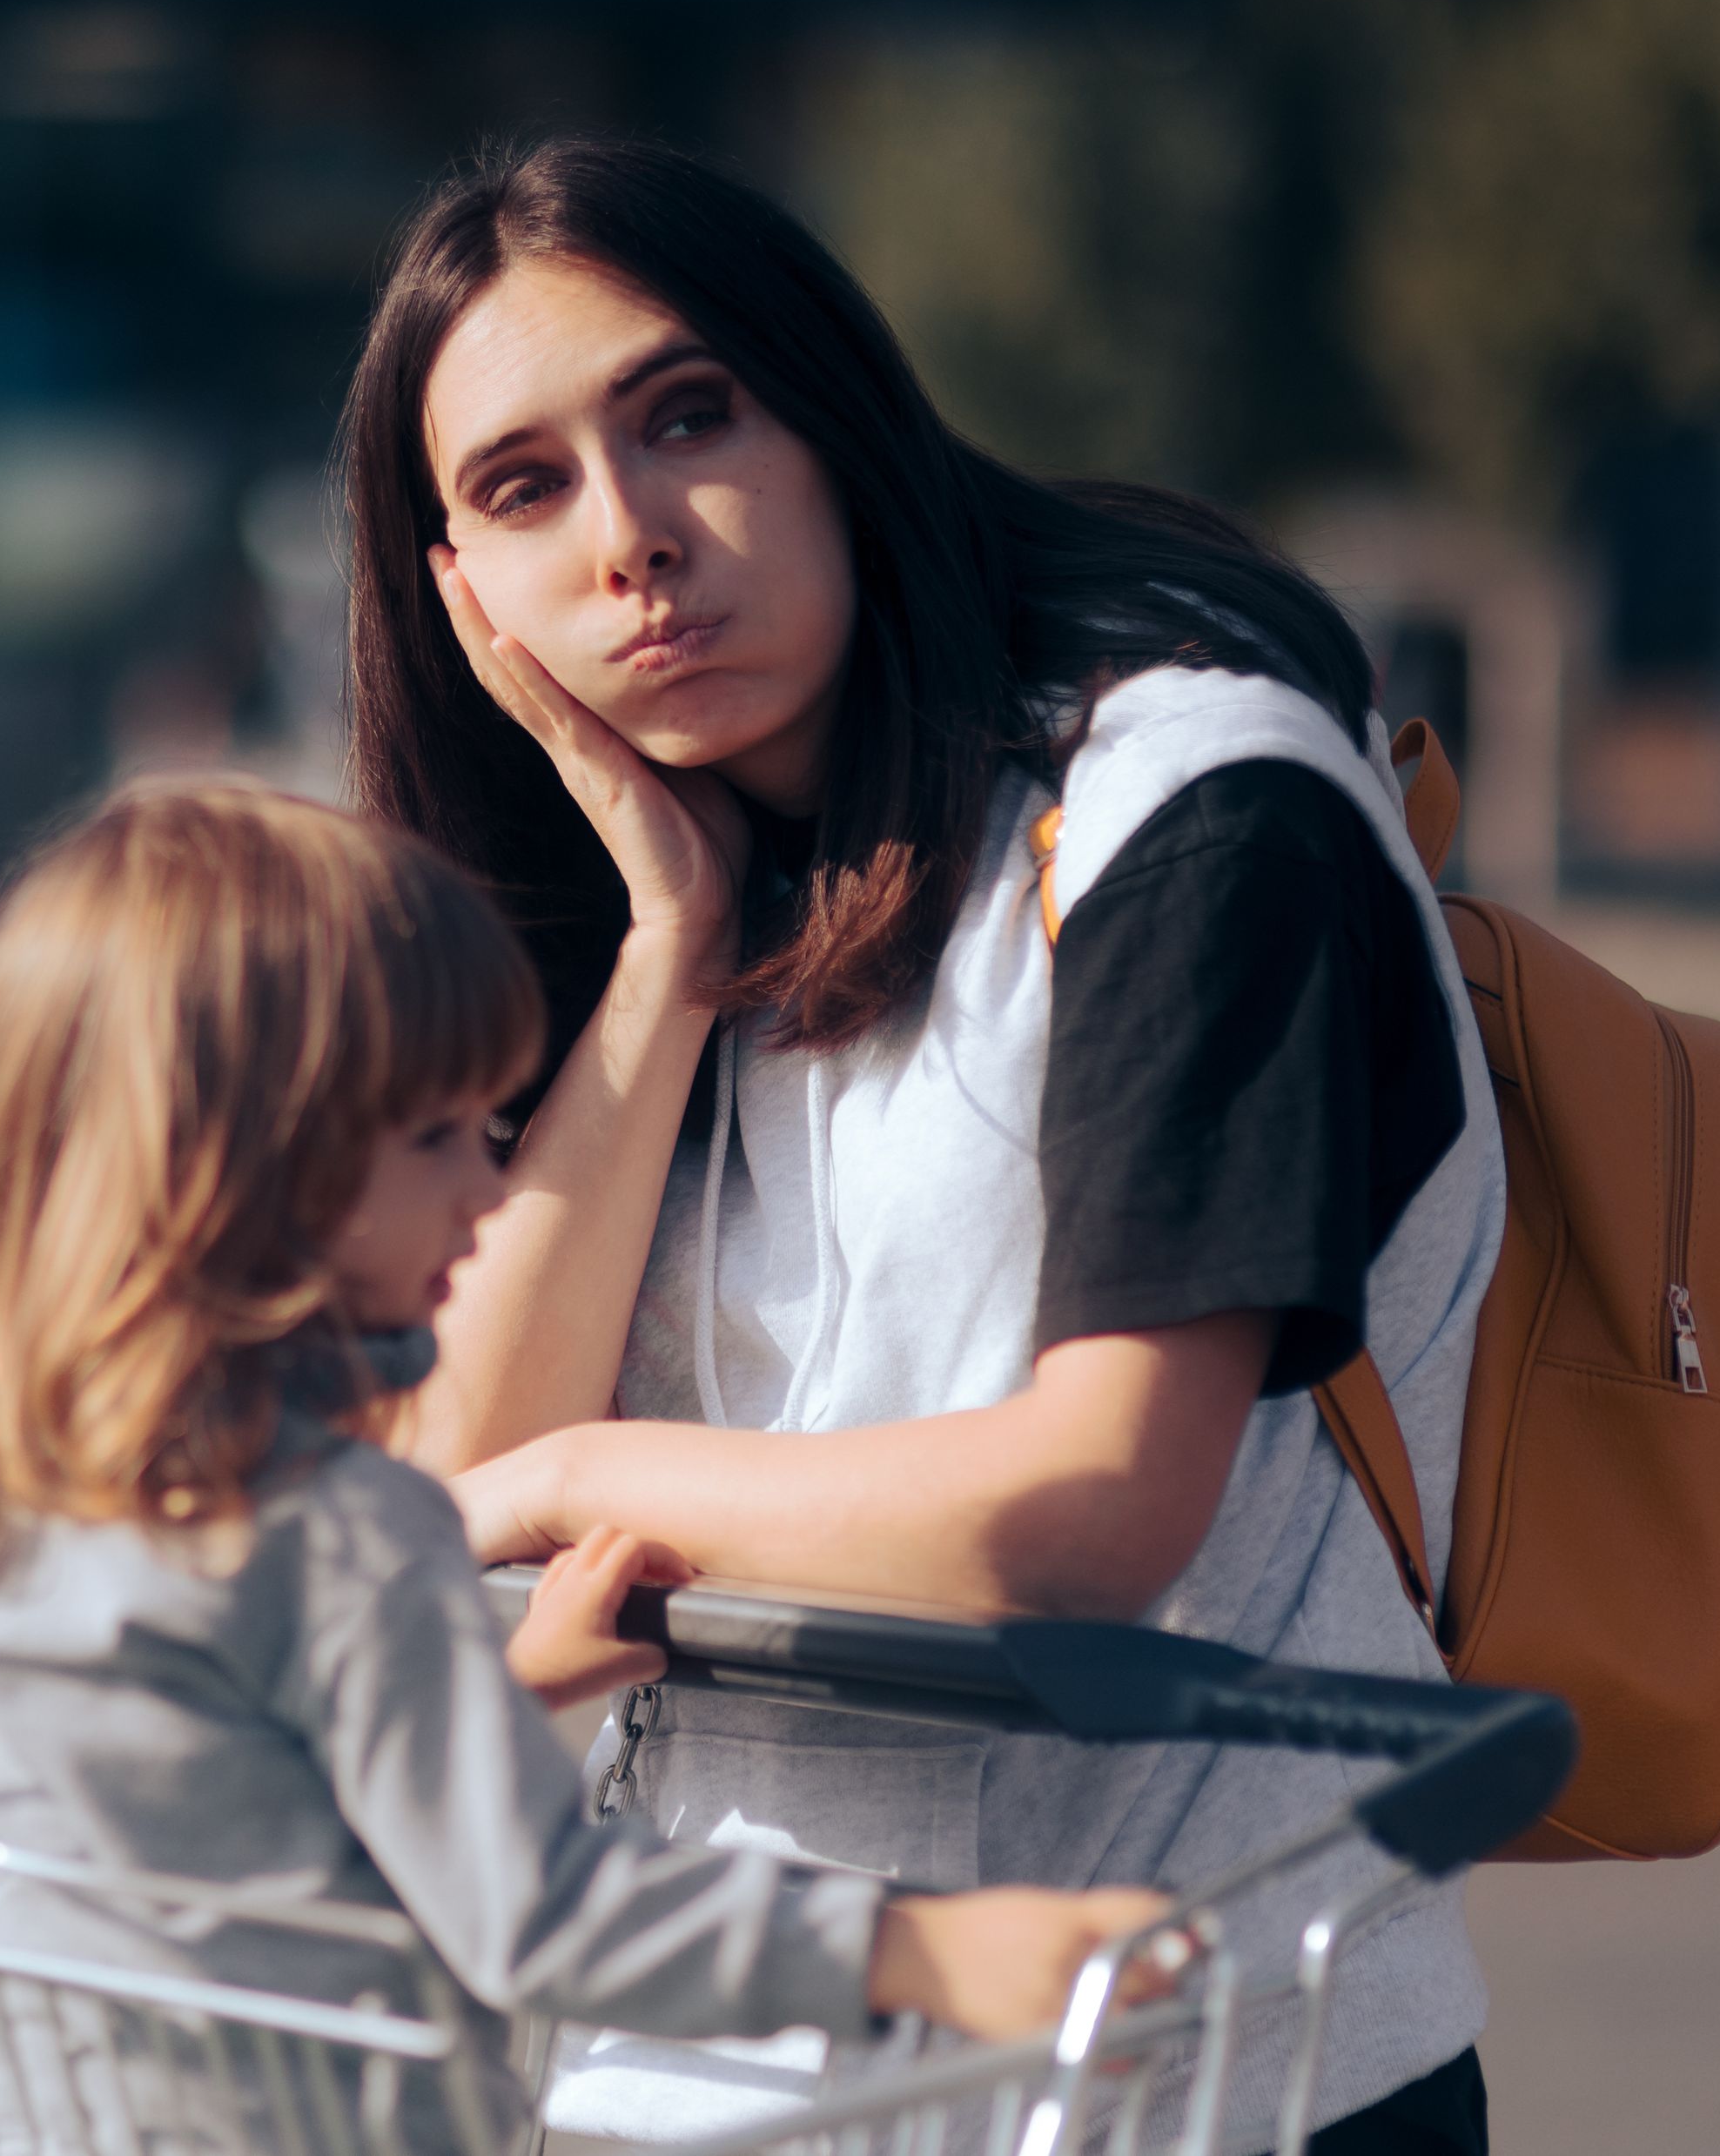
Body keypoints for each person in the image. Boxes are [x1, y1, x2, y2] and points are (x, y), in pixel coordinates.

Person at [338, 138, 1507, 2155]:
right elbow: (451, 1495)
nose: (627, 539)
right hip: (702, 2079)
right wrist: (666, 951)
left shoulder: (1187, 802)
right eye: (520, 488)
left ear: (835, 412)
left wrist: (581, 1473)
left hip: (1198, 2070)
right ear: (462, 599)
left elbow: (1093, 1502)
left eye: (684, 415)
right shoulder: (642, 920)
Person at [0, 779, 1167, 2153]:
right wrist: (918, 1950)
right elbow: (541, 1915)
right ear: (253, 1171)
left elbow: (181, 1809)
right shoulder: (339, 1529)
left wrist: (490, 1690)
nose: (489, 1191)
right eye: (438, 1137)